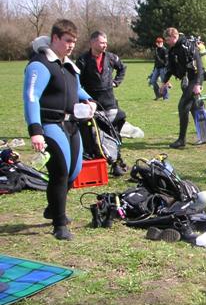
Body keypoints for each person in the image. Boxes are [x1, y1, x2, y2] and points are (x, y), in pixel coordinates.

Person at [23, 19, 96, 240]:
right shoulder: (41, 64)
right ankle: (59, 223)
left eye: (74, 41)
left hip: (71, 124)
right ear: (55, 38)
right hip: (50, 124)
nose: (71, 45)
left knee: (74, 171)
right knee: (60, 172)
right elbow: (31, 97)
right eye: (67, 40)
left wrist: (90, 100)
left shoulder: (68, 65)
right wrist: (35, 130)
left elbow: (77, 89)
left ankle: (53, 207)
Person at [76, 30, 128, 175]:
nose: (105, 45)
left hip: (109, 103)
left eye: (106, 42)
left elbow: (122, 68)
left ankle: (117, 162)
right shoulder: (82, 60)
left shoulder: (111, 57)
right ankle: (95, 162)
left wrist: (116, 82)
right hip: (92, 103)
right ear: (92, 42)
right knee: (92, 135)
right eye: (102, 42)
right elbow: (76, 81)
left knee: (112, 133)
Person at [160, 27, 205, 148]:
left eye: (168, 39)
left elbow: (199, 66)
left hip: (194, 79)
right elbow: (170, 68)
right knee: (194, 107)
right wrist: (164, 82)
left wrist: (198, 84)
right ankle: (204, 135)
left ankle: (181, 140)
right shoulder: (173, 49)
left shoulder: (187, 46)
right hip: (186, 80)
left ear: (174, 37)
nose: (166, 42)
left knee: (183, 106)